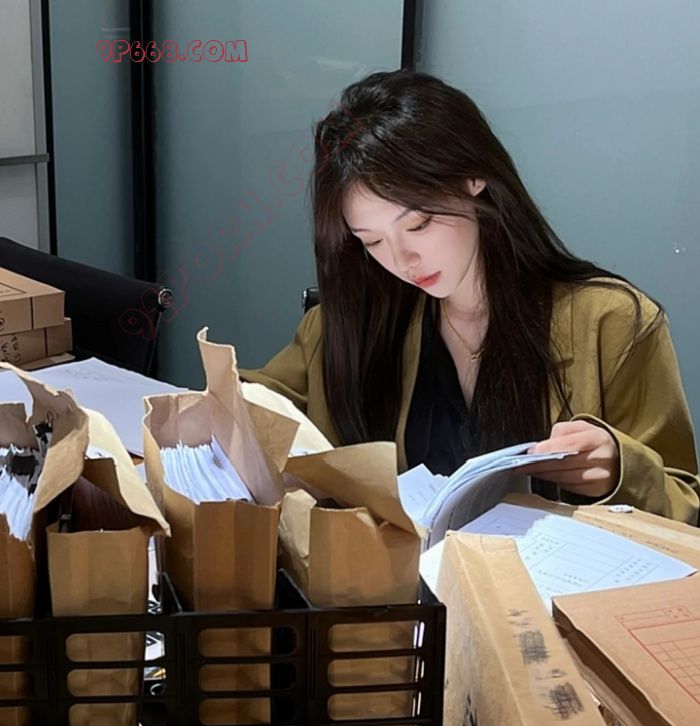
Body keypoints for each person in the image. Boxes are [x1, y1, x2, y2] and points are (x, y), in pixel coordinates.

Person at [242, 69, 699, 525]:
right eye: (372, 241)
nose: (402, 260)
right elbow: (250, 405)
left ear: (472, 177)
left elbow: (686, 507)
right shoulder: (349, 325)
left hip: (545, 575)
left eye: (418, 224)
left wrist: (620, 471)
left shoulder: (611, 322)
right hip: (397, 574)